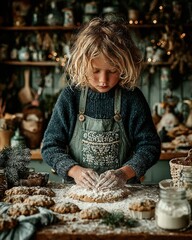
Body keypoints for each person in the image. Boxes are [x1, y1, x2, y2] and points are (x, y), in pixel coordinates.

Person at [41, 17, 161, 190]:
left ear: (123, 67)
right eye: (95, 71)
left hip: (125, 190)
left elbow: (150, 146)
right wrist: (74, 171)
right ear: (82, 65)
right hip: (77, 192)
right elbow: (50, 146)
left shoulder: (132, 98)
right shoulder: (71, 97)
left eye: (112, 71)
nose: (103, 80)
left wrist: (124, 173)